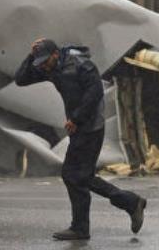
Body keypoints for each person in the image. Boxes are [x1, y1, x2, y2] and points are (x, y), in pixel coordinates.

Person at [15, 38, 147, 241]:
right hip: (78, 127)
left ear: (56, 54)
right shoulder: (50, 67)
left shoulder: (81, 64)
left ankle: (85, 225)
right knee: (79, 176)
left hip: (91, 126)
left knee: (74, 175)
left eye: (45, 61)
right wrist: (31, 55)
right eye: (40, 62)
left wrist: (76, 118)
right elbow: (21, 79)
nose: (43, 66)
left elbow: (94, 93)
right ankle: (127, 203)